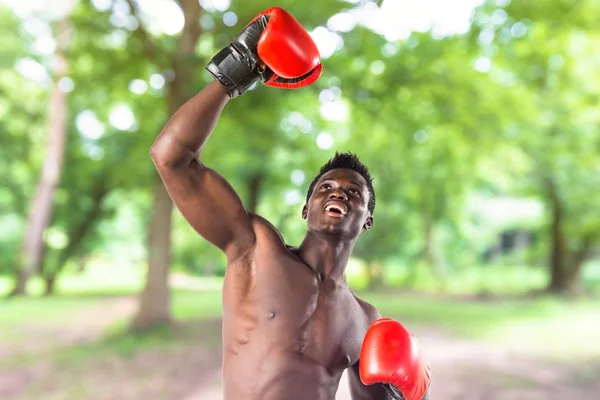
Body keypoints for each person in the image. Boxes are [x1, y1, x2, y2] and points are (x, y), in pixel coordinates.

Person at [150, 7, 430, 400]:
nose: (338, 193)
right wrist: (238, 70)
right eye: (326, 187)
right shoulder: (255, 248)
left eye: (354, 192)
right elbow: (172, 157)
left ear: (367, 219)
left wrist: (405, 395)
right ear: (305, 209)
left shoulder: (365, 319)